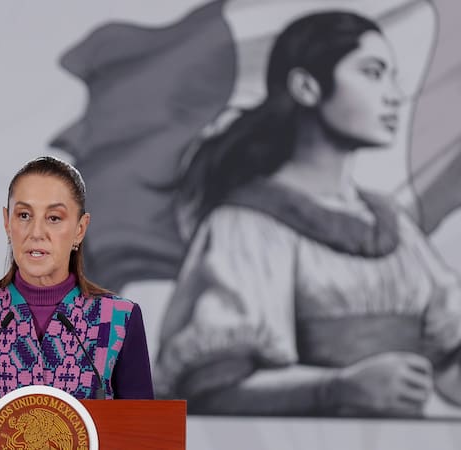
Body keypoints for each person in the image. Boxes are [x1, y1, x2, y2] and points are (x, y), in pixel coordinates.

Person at [153, 11, 461, 417]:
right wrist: (338, 388)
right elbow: (212, 390)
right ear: (306, 87)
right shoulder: (246, 225)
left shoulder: (394, 225)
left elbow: (448, 361)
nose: (394, 95)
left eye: (392, 76)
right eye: (372, 73)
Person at [0, 156, 154, 400]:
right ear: (7, 223)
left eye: (54, 218)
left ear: (80, 229)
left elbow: (141, 430)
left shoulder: (119, 319)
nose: (36, 233)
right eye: (24, 215)